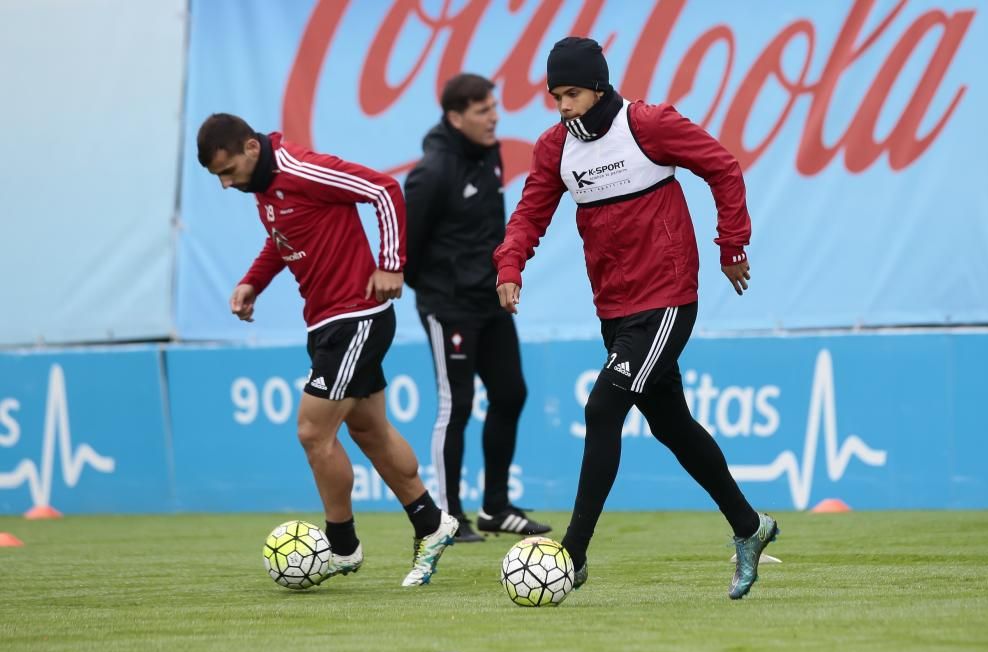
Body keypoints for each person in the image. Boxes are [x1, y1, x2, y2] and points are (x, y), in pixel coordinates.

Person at [492, 37, 779, 600]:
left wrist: (733, 246)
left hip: (668, 297)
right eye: (555, 96)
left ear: (598, 86)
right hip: (615, 307)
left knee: (602, 409)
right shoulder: (554, 149)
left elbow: (723, 167)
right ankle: (750, 527)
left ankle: (571, 555)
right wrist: (510, 265)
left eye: (572, 93)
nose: (564, 106)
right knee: (671, 424)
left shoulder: (648, 124)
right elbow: (530, 213)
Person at [196, 113, 458, 587]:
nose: (225, 183)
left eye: (227, 170)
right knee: (370, 431)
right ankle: (431, 522)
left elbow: (383, 190)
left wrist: (392, 264)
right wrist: (253, 281)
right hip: (326, 322)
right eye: (218, 177)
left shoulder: (301, 168)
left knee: (312, 432)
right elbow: (283, 240)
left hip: (356, 317)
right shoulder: (264, 187)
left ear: (251, 149)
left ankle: (341, 546)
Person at [403, 73, 550, 542]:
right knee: (457, 405)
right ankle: (447, 518)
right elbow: (407, 252)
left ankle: (496, 508)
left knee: (511, 393)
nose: (495, 117)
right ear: (455, 117)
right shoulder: (431, 172)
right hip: (448, 306)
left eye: (494, 106)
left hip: (488, 301)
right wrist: (441, 292)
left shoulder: (489, 154)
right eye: (484, 110)